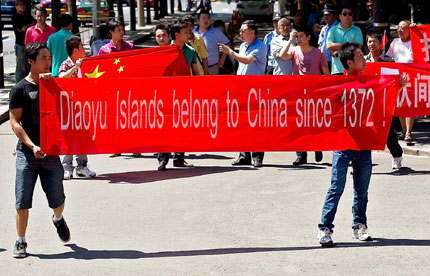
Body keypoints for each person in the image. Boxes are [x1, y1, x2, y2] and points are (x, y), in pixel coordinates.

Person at [316, 42, 407, 247]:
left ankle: (359, 226)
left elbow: (385, 101)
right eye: (360, 56)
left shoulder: (371, 83)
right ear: (349, 62)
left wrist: (397, 86)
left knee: (362, 191)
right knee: (336, 188)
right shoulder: (337, 84)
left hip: (363, 144)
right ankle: (325, 229)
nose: (365, 59)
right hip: (342, 144)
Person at [9, 42, 71, 258]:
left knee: (57, 199)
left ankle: (58, 219)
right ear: (30, 61)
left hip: (52, 152)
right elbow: (15, 123)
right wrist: (31, 146)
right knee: (22, 198)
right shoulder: (19, 89)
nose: (48, 61)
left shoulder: (52, 85)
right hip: (28, 153)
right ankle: (20, 241)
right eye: (43, 58)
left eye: (49, 57)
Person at [275, 25, 329, 165]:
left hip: (314, 93)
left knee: (314, 123)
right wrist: (290, 39)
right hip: (297, 93)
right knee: (297, 124)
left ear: (309, 37)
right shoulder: (294, 50)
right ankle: (301, 154)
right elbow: (282, 55)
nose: (298, 39)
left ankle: (317, 146)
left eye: (301, 36)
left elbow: (326, 73)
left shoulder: (318, 53)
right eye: (297, 36)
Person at [219, 20, 267, 168]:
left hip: (255, 91)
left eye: (243, 31)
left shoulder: (261, 46)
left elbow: (247, 61)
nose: (240, 33)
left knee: (256, 124)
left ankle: (257, 156)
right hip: (242, 89)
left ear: (252, 32)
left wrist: (230, 52)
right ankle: (244, 154)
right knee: (242, 123)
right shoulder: (244, 46)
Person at [157, 20, 198, 171]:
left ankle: (179, 158)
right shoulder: (165, 52)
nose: (189, 34)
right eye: (186, 32)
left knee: (182, 127)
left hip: (184, 95)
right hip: (166, 96)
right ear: (177, 35)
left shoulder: (191, 51)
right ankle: (163, 159)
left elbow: (196, 73)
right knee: (166, 127)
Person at [58, 36, 97, 179]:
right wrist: (76, 67)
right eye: (82, 47)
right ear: (75, 50)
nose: (84, 49)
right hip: (69, 107)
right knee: (69, 136)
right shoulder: (66, 65)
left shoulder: (87, 64)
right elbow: (61, 78)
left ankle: (82, 166)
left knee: (82, 136)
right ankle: (67, 167)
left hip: (84, 108)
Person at [365, 32, 403, 169]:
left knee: (387, 133)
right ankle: (362, 163)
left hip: (384, 102)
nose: (371, 44)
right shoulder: (363, 60)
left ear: (380, 43)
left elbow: (394, 79)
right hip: (368, 103)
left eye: (374, 41)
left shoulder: (388, 60)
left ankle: (397, 154)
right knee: (365, 132)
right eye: (369, 42)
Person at [98, 20, 134, 157]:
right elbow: (99, 69)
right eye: (118, 30)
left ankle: (133, 145)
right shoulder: (104, 50)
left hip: (127, 88)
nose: (121, 32)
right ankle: (117, 146)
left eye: (122, 29)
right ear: (111, 32)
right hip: (111, 89)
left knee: (130, 116)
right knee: (115, 118)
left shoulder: (130, 47)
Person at [387, 20, 414, 142]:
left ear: (409, 29)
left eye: (403, 28)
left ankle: (409, 132)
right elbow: (389, 57)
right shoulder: (395, 42)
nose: (400, 30)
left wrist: (417, 31)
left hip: (412, 77)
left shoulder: (415, 42)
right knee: (400, 105)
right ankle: (403, 130)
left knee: (409, 105)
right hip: (398, 77)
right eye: (398, 28)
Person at [326, 5, 363, 75]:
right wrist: (350, 44)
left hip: (353, 70)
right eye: (345, 14)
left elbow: (358, 46)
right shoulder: (333, 30)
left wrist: (339, 51)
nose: (347, 16)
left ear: (352, 16)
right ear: (340, 16)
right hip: (337, 69)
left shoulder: (357, 30)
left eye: (350, 14)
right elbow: (329, 45)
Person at [193, 10, 230, 75]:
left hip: (212, 67)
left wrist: (222, 60)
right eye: (204, 18)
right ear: (198, 20)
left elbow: (227, 44)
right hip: (197, 68)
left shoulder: (216, 32)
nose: (206, 20)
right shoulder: (193, 32)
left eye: (208, 18)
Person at [12, 0, 35, 83]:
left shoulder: (28, 16)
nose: (23, 6)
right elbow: (23, 28)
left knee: (29, 64)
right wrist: (29, 25)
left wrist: (28, 26)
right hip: (20, 44)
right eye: (20, 5)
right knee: (21, 65)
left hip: (29, 44)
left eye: (24, 4)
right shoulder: (15, 17)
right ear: (16, 6)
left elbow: (35, 23)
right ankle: (18, 83)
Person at [317, 4, 338, 72]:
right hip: (323, 60)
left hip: (334, 60)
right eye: (324, 15)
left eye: (328, 14)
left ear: (335, 16)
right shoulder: (324, 28)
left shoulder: (339, 28)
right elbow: (320, 45)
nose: (325, 16)